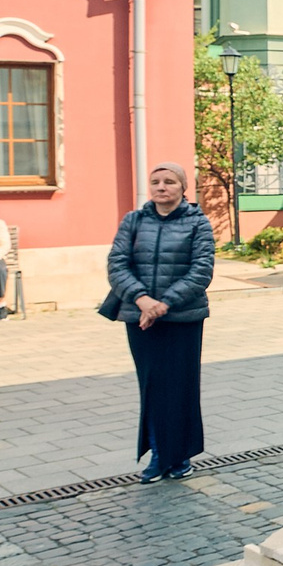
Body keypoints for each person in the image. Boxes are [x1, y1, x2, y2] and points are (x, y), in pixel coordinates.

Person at [106, 163, 217, 483]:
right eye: (155, 182)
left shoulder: (198, 223)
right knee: (152, 387)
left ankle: (179, 456)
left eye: (169, 181)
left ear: (183, 188)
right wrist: (142, 300)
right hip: (139, 318)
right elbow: (117, 265)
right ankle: (157, 455)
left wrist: (163, 304)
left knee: (180, 387)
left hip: (183, 318)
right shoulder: (133, 221)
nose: (161, 187)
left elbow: (201, 271)